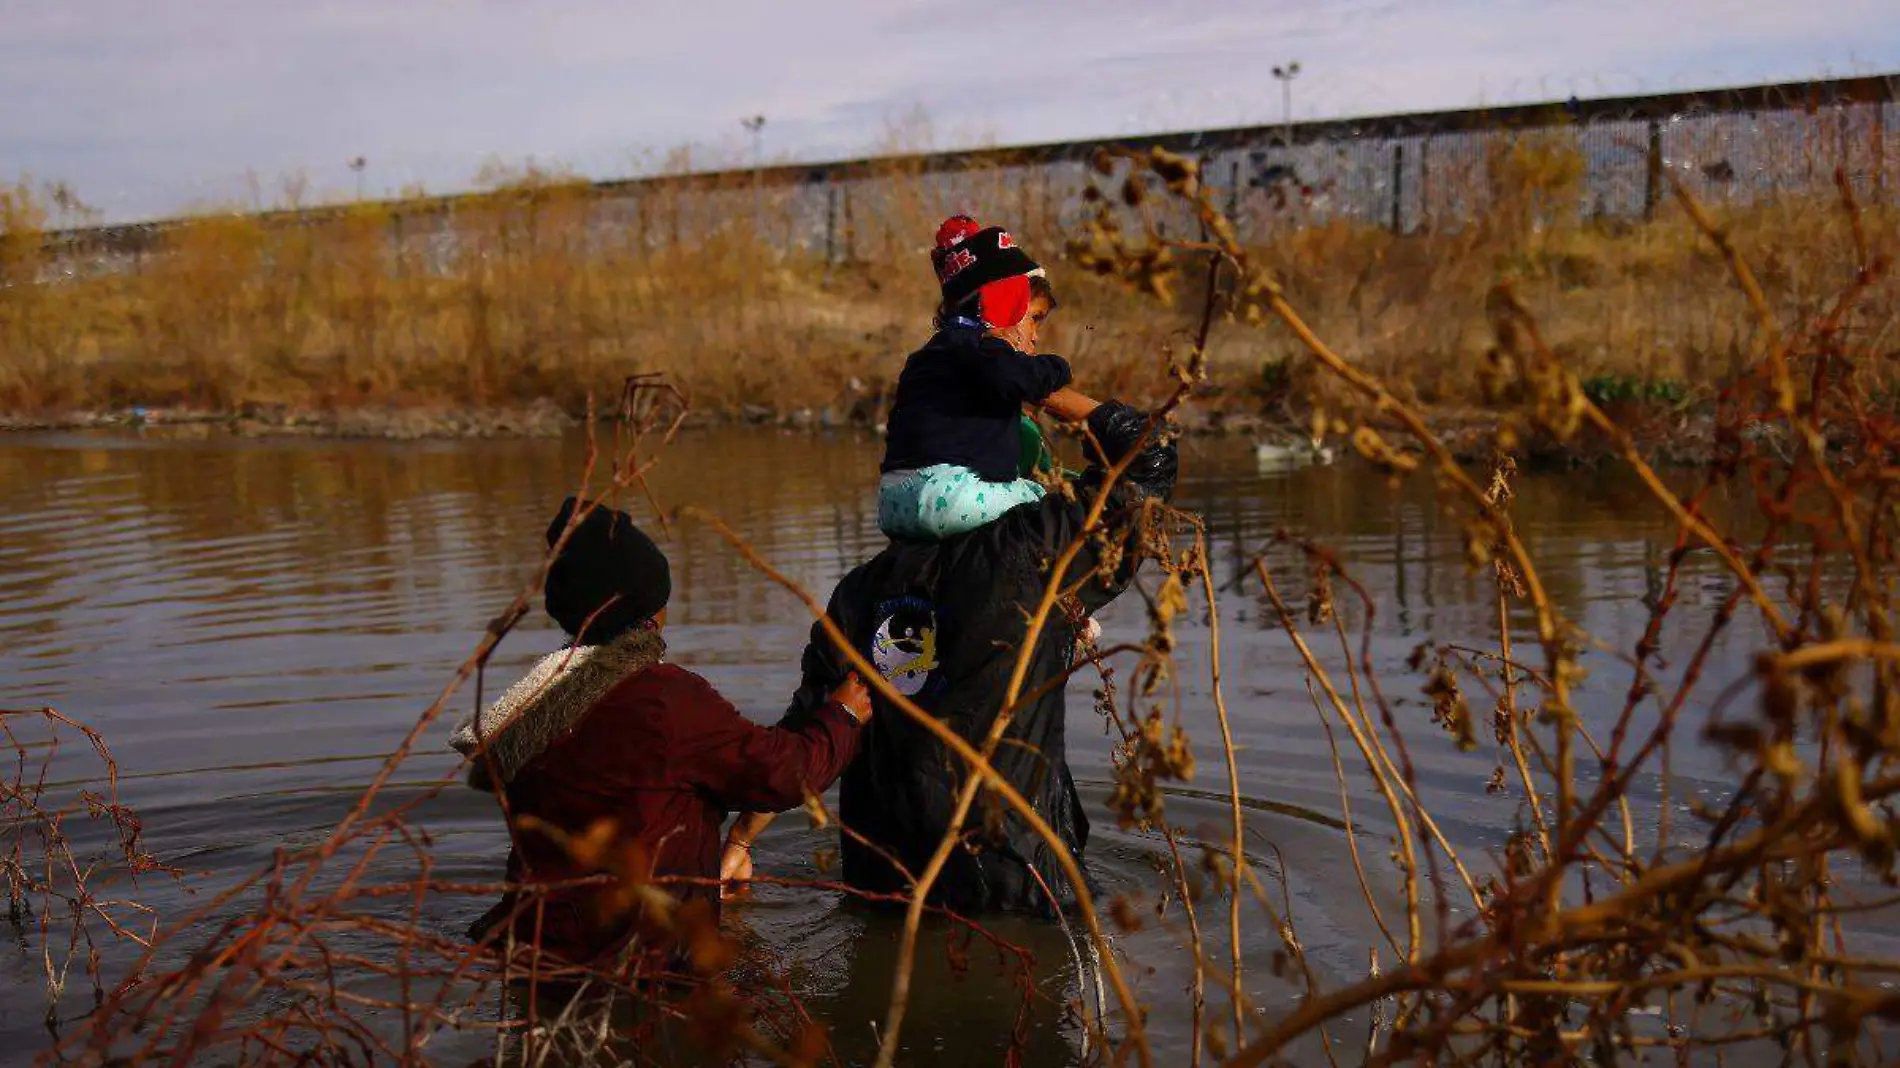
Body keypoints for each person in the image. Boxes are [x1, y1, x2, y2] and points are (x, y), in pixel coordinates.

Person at [722, 400, 1178, 915]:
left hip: (886, 886)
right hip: (1013, 884)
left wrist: (740, 839)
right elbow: (1147, 458)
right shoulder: (1026, 559)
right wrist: (1038, 380)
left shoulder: (858, 591)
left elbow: (809, 735)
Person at [449, 497, 872, 974]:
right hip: (643, 964)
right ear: (651, 612)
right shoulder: (665, 700)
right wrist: (843, 714)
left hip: (538, 956)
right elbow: (784, 772)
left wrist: (725, 855)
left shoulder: (534, 702)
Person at [876, 215, 1104, 541]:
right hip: (948, 496)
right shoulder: (983, 349)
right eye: (1035, 319)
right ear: (1002, 305)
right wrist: (1057, 367)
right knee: (1055, 504)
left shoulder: (930, 356)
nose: (1036, 337)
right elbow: (1021, 379)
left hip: (892, 502)